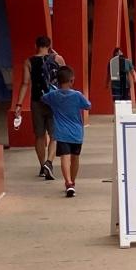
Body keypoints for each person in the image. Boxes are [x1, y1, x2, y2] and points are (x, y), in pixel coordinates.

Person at [13, 35, 65, 180]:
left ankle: (42, 166)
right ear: (49, 45)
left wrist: (19, 104)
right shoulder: (57, 59)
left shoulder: (29, 62)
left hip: (37, 101)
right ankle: (50, 162)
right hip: (55, 102)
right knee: (54, 135)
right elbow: (65, 78)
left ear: (36, 45)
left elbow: (25, 83)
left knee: (39, 135)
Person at [41, 66, 91, 198]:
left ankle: (67, 182)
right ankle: (72, 182)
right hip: (77, 133)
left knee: (65, 157)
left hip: (61, 132)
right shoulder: (77, 95)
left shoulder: (53, 95)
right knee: (75, 158)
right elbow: (88, 105)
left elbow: (43, 98)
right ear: (72, 80)